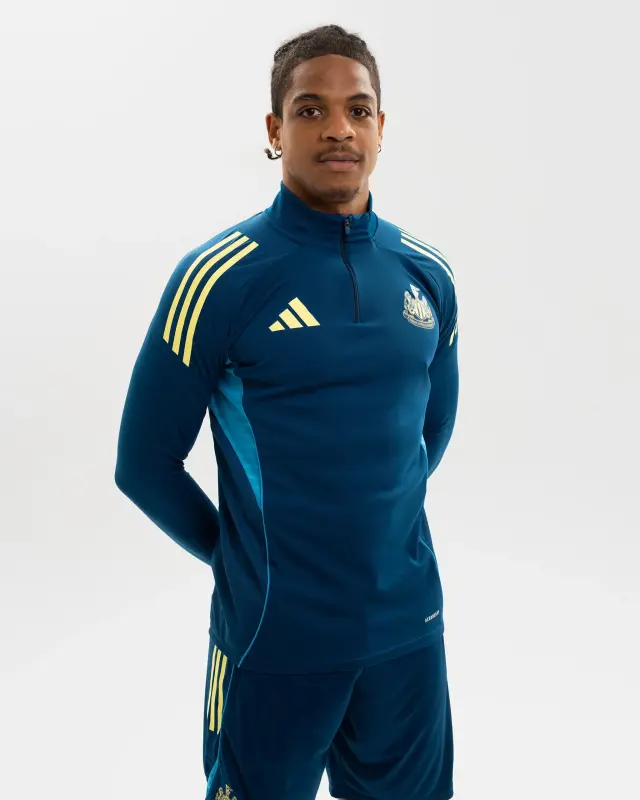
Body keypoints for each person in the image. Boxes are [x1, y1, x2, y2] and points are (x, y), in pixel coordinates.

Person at [115, 23, 459, 800]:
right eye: (310, 110)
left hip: (407, 635)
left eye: (358, 109)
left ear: (380, 127)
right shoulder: (219, 278)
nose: (338, 128)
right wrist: (241, 559)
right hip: (273, 641)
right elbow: (142, 465)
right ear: (275, 130)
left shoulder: (426, 275)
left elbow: (429, 435)